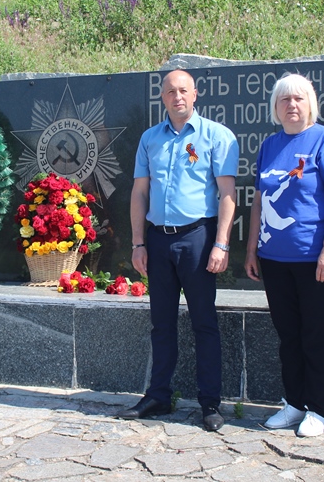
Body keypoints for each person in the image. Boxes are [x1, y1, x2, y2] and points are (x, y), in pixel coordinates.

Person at [118, 69, 239, 432]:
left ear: (196, 94)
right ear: (163, 97)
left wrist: (221, 243)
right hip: (158, 239)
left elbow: (228, 194)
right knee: (161, 323)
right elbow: (140, 193)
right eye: (170, 91)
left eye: (183, 90)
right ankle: (158, 395)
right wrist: (138, 243)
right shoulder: (150, 139)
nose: (177, 97)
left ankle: (210, 404)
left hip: (198, 238)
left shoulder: (217, 136)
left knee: (204, 322)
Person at [244, 73, 324, 437]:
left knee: (316, 334)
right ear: (275, 108)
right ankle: (294, 403)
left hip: (317, 260)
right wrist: (251, 249)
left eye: (299, 99)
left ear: (311, 104)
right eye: (284, 100)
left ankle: (319, 409)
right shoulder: (270, 145)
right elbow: (259, 199)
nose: (292, 105)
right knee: (288, 334)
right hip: (275, 260)